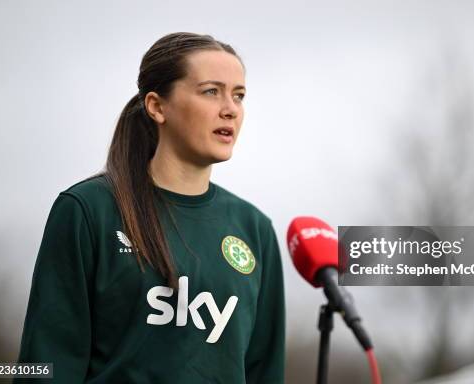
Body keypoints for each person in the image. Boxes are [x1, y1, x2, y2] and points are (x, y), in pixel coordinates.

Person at [15, 32, 285, 383]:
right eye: (210, 91)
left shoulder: (255, 229)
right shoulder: (88, 210)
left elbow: (265, 371)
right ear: (157, 106)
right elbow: (46, 363)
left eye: (239, 95)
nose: (230, 109)